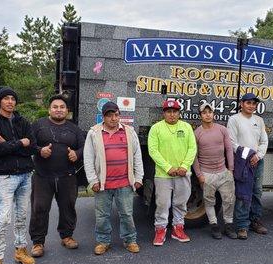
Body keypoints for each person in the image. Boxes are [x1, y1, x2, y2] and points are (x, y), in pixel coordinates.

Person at [0, 86, 36, 264]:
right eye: (6, 98)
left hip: (25, 175)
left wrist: (10, 144)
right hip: (5, 177)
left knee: (22, 216)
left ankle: (21, 251)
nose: (10, 102)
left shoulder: (23, 121)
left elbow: (31, 145)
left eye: (13, 98)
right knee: (4, 219)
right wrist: (19, 143)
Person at [28, 95, 86, 258]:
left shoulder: (74, 128)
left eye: (62, 107)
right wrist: (40, 150)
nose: (59, 110)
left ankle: (66, 236)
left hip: (67, 176)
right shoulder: (39, 125)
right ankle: (38, 242)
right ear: (49, 109)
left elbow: (84, 147)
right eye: (55, 107)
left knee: (68, 206)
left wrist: (77, 154)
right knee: (39, 208)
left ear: (67, 111)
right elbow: (29, 145)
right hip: (42, 176)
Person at [84, 101, 144, 255]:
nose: (113, 118)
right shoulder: (94, 133)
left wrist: (139, 177)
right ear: (103, 117)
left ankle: (130, 240)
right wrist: (93, 181)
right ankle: (103, 241)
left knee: (126, 214)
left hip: (125, 183)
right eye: (110, 115)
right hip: (103, 184)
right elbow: (88, 159)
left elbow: (137, 156)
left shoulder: (129, 132)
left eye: (116, 115)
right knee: (102, 216)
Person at [148, 98, 197, 246]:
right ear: (164, 113)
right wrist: (168, 167)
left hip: (183, 173)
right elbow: (153, 150)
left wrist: (184, 166)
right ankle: (160, 230)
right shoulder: (156, 128)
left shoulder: (187, 127)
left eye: (175, 111)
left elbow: (192, 148)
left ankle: (178, 229)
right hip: (163, 175)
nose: (172, 115)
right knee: (163, 204)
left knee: (180, 203)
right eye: (168, 111)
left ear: (179, 113)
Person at [192, 103, 236, 239]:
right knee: (209, 201)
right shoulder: (197, 133)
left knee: (229, 200)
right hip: (207, 174)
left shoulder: (222, 130)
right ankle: (214, 225)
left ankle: (228, 225)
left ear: (213, 114)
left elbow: (229, 149)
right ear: (200, 116)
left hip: (224, 172)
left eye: (210, 112)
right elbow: (194, 156)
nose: (207, 114)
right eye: (204, 112)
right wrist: (199, 175)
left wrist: (231, 169)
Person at [227, 93, 268, 239]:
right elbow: (232, 143)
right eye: (248, 103)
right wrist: (248, 155)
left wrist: (258, 156)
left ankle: (255, 221)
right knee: (243, 193)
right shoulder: (234, 120)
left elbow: (264, 141)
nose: (251, 106)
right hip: (242, 161)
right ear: (241, 104)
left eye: (254, 103)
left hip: (257, 160)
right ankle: (242, 225)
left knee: (257, 191)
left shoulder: (259, 120)